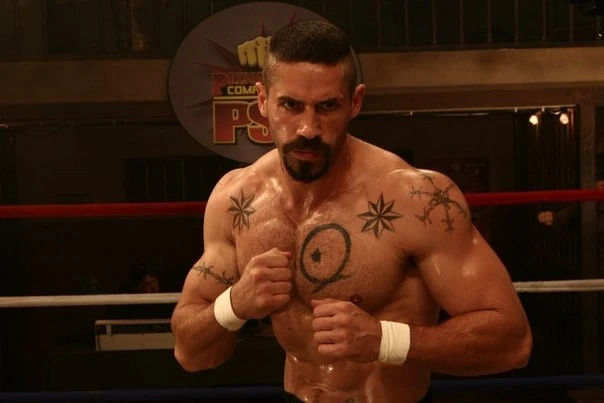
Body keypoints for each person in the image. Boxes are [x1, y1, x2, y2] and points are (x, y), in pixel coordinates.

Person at [171, 20, 532, 402]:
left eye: (327, 106)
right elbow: (189, 352)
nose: (308, 128)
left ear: (355, 102)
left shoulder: (416, 198)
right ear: (262, 101)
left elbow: (513, 342)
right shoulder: (236, 200)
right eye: (291, 105)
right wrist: (233, 305)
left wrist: (384, 340)